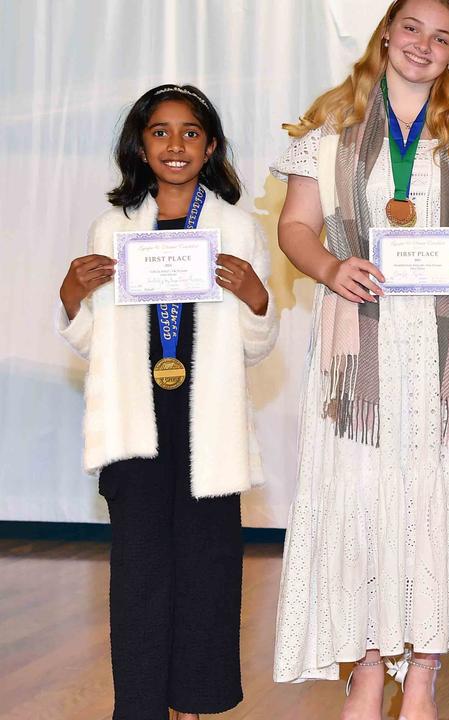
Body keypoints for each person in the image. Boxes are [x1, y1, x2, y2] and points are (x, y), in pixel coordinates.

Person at [270, 1, 449, 718]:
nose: (424, 45)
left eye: (442, 37)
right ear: (386, 34)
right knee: (360, 495)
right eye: (413, 29)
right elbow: (294, 227)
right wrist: (329, 268)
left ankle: (422, 670)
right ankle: (364, 664)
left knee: (446, 498)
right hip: (363, 349)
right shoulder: (329, 128)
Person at [56, 83, 277, 720]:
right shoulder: (111, 226)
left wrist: (259, 299)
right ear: (140, 145)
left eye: (189, 133)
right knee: (138, 580)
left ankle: (198, 705)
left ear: (209, 147)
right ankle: (142, 709)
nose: (174, 144)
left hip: (205, 428)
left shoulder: (237, 227)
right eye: (160, 131)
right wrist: (72, 295)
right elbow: (92, 340)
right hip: (136, 427)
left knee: (209, 575)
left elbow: (256, 345)